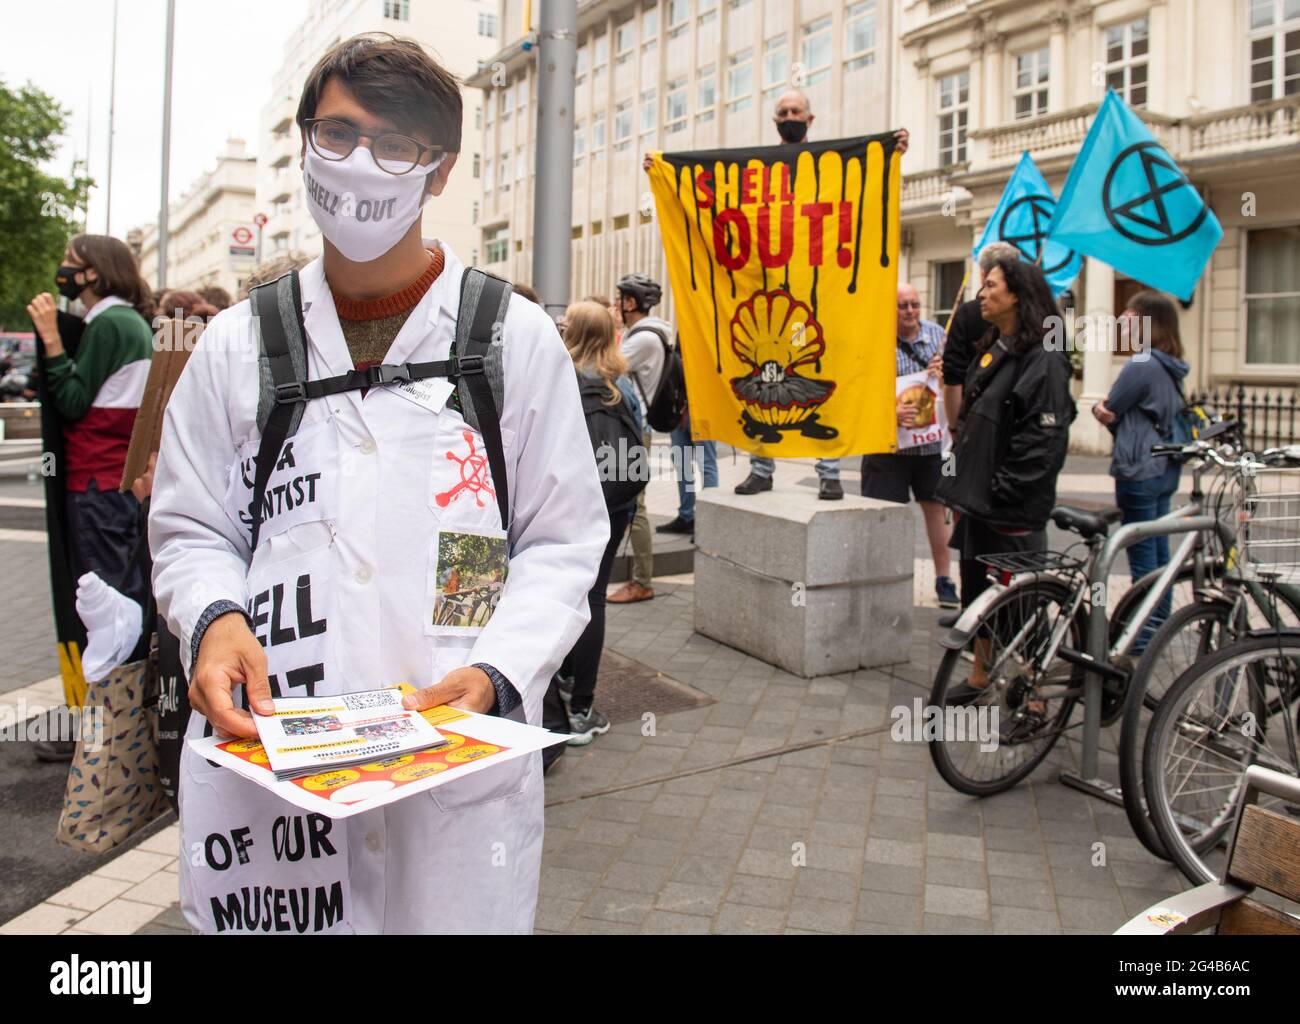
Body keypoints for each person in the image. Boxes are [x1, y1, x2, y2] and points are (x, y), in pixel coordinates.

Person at [148, 32, 607, 934]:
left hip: (454, 766)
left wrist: (495, 672)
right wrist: (215, 619)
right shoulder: (236, 345)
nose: (362, 163)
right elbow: (191, 526)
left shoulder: (510, 339)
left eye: (395, 144)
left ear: (439, 172)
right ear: (305, 144)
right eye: (338, 133)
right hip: (276, 759)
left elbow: (560, 543)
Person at [25, 235, 155, 761]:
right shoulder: (130, 323)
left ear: (95, 273)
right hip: (114, 483)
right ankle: (115, 723)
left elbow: (75, 401)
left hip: (96, 483)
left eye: (72, 264)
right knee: (120, 601)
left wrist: (52, 343)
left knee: (105, 610)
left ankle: (101, 733)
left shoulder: (109, 323)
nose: (64, 271)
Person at [936, 255, 1075, 697]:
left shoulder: (1046, 357)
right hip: (980, 502)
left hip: (1009, 507)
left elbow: (1043, 441)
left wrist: (1001, 491)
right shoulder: (997, 345)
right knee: (978, 591)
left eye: (992, 285)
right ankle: (980, 674)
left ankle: (1032, 700)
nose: (982, 293)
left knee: (1021, 606)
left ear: (1017, 294)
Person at [558, 299, 643, 743]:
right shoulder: (620, 383)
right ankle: (582, 709)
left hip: (570, 504)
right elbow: (638, 443)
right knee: (594, 599)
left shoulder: (559, 377)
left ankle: (565, 682)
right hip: (614, 505)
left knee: (565, 594)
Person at [1091, 290, 1190, 648]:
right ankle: (1158, 626)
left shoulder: (1142, 363)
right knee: (1159, 550)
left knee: (1143, 556)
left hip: (1139, 467)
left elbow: (1112, 408)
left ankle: (1144, 634)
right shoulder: (1169, 363)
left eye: (1129, 317)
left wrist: (1102, 413)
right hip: (1164, 467)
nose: (1122, 322)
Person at [862, 283, 958, 609]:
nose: (911, 312)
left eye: (915, 304)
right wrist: (889, 409)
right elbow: (860, 387)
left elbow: (953, 385)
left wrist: (942, 375)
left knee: (935, 509)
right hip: (887, 447)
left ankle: (944, 578)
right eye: (903, 306)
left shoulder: (936, 335)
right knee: (885, 515)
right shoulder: (874, 338)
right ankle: (885, 577)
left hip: (928, 446)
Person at [936, 241, 1014, 627]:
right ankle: (977, 626)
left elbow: (953, 382)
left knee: (992, 540)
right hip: (978, 444)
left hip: (991, 447)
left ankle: (993, 623)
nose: (983, 297)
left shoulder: (1044, 325)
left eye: (991, 286)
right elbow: (953, 377)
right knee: (975, 536)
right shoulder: (973, 317)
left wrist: (956, 428)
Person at [606, 272, 672, 604]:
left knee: (636, 506)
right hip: (637, 427)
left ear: (631, 302)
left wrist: (608, 327)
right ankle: (640, 578)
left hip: (635, 429)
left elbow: (605, 366)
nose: (617, 304)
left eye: (620, 299)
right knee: (634, 503)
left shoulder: (643, 338)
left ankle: (642, 581)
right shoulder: (657, 330)